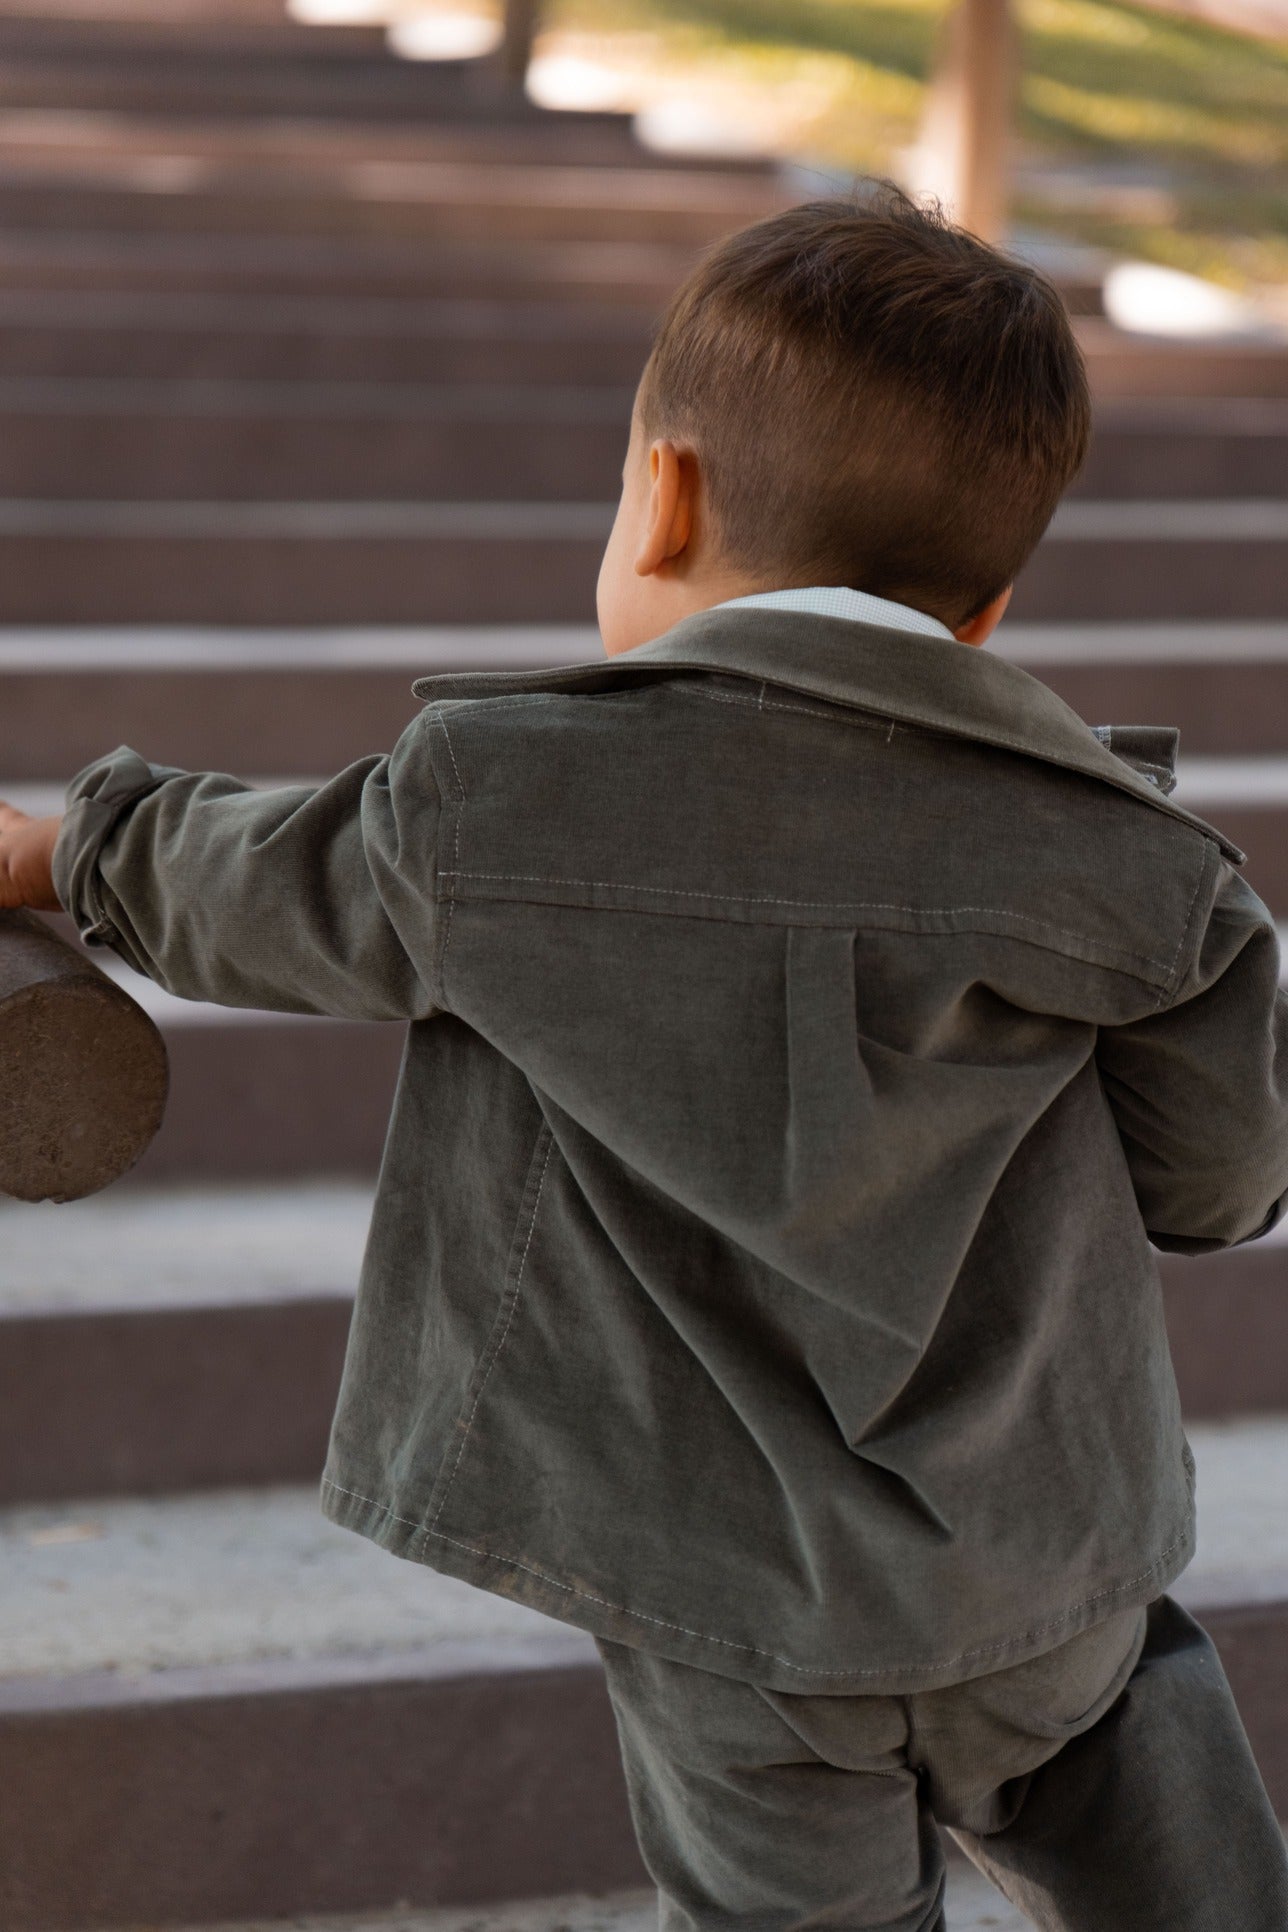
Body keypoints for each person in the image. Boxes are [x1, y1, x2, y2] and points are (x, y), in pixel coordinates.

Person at [2, 186, 1286, 1931]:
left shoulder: (499, 801)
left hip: (733, 1612)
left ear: (663, 496)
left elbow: (259, 883)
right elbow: (1222, 1181)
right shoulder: (1138, 863)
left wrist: (59, 853)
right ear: (985, 608)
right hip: (1056, 1571)